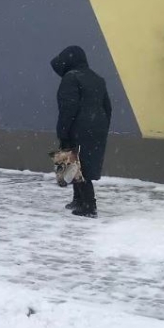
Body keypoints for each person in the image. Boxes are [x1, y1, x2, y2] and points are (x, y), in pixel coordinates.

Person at [51, 45, 112, 218]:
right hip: (96, 127)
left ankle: (89, 206)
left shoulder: (71, 78)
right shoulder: (97, 79)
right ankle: (78, 199)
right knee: (79, 163)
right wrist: (101, 126)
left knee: (78, 165)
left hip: (78, 126)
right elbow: (107, 107)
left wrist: (62, 131)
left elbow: (68, 108)